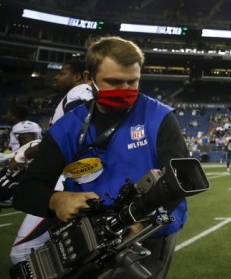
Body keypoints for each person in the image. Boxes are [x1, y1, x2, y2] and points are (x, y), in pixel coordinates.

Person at [13, 36, 190, 278]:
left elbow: (180, 182)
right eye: (114, 82)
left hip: (146, 234)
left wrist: (138, 224)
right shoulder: (68, 128)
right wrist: (57, 201)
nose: (125, 91)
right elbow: (26, 191)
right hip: (87, 237)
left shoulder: (159, 117)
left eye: (133, 82)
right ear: (89, 79)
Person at [10, 60, 93, 266]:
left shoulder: (80, 91)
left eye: (63, 72)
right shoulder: (73, 95)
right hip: (74, 178)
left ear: (79, 76)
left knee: (22, 253)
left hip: (67, 181)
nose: (56, 77)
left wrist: (24, 154)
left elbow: (78, 131)